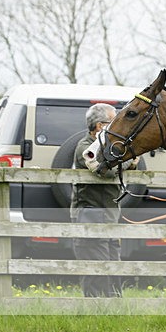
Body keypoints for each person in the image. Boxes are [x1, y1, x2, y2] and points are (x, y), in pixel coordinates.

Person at [72, 103, 128, 297]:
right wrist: (129, 161)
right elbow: (106, 170)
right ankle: (95, 314)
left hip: (110, 217)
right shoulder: (84, 147)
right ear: (99, 126)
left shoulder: (109, 147)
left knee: (114, 272)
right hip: (90, 216)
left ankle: (115, 315)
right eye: (111, 122)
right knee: (97, 273)